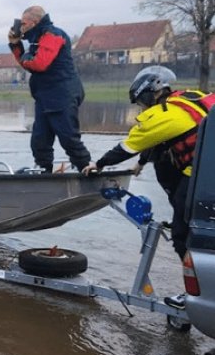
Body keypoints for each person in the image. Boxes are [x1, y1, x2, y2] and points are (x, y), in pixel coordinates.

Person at [82, 66, 214, 307]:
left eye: (141, 101)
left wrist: (98, 164)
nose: (142, 107)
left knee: (183, 236)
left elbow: (127, 146)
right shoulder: (191, 98)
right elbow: (164, 138)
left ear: (152, 92)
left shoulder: (162, 115)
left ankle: (197, 295)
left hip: (200, 178)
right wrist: (141, 163)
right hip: (207, 171)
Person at [8, 5, 91, 173]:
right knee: (39, 140)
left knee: (68, 137)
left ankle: (87, 168)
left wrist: (23, 54)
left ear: (34, 22)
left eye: (23, 23)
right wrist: (16, 46)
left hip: (62, 94)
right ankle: (43, 170)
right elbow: (30, 63)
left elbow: (39, 64)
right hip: (45, 96)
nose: (20, 27)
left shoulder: (53, 35)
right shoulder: (36, 40)